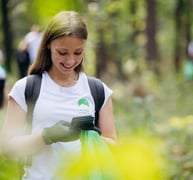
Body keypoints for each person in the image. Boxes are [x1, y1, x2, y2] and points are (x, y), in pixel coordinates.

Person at [1, 11, 117, 179]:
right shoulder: (26, 88)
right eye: (62, 52)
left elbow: (114, 146)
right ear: (48, 45)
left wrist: (93, 136)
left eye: (78, 53)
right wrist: (46, 136)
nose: (70, 61)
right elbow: (8, 149)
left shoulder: (98, 90)